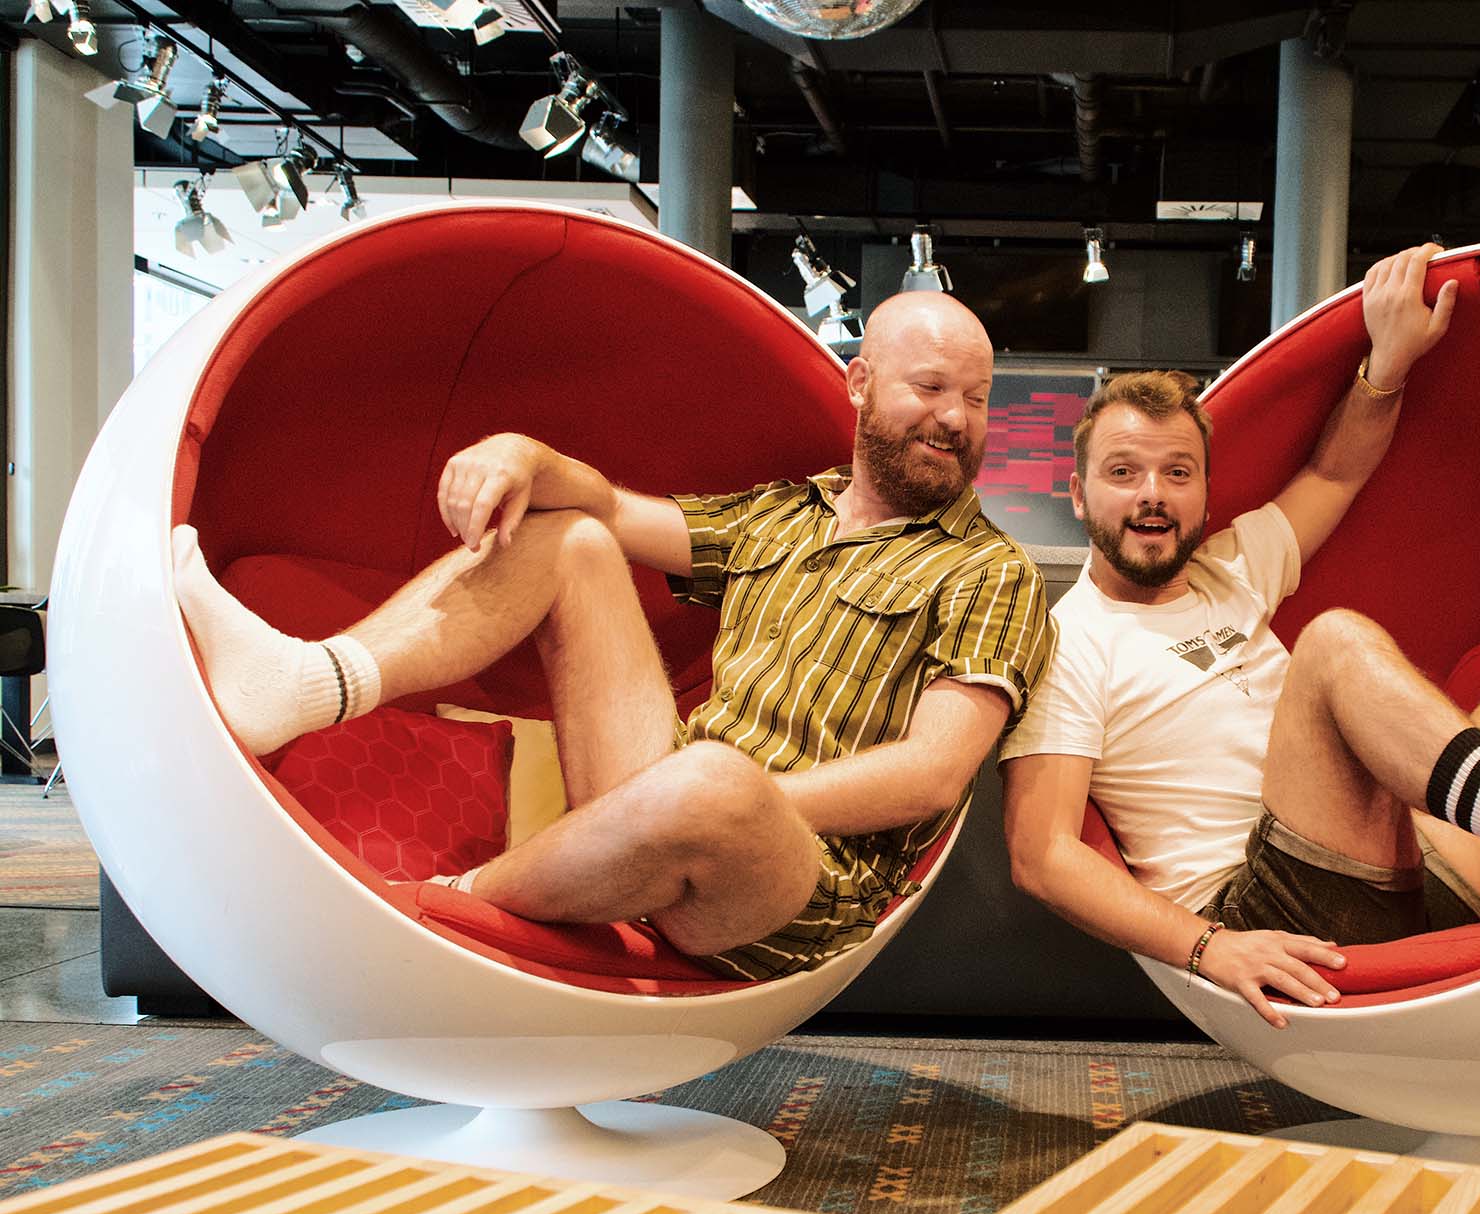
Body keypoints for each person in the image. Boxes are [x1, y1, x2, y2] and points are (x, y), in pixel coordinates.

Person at [999, 244, 1480, 1028]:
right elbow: (1042, 854)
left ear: (1206, 487)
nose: (1152, 497)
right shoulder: (1068, 642)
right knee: (1333, 643)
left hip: (1400, 875)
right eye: (1124, 472)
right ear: (1078, 492)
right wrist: (1207, 947)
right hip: (1271, 907)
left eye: (1177, 472)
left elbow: (1334, 473)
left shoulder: (1228, 569)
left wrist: (1389, 361)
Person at [173, 291, 1053, 981]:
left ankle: (443, 911)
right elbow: (605, 508)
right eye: (930, 388)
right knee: (571, 537)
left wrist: (713, 797)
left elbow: (932, 774)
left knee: (713, 781)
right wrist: (525, 452)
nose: (955, 420)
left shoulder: (987, 569)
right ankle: (310, 683)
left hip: (800, 885)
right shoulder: (783, 515)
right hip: (669, 801)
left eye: (976, 399)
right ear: (861, 384)